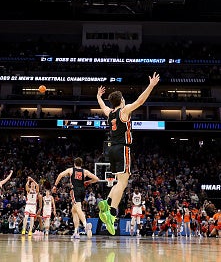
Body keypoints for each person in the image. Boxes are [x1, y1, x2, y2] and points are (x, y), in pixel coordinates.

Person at [96, 72, 160, 235]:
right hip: (122, 148)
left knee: (119, 181)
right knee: (122, 183)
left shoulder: (110, 113)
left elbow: (102, 106)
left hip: (111, 149)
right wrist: (151, 86)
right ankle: (111, 213)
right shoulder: (123, 112)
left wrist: (98, 96)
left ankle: (107, 202)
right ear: (122, 101)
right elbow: (140, 101)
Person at [53, 157, 99, 239]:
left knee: (78, 208)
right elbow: (96, 179)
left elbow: (60, 175)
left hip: (75, 190)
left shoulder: (71, 170)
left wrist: (55, 185)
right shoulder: (85, 171)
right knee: (74, 210)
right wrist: (88, 182)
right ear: (81, 164)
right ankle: (76, 232)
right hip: (82, 191)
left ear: (74, 163)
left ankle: (85, 225)